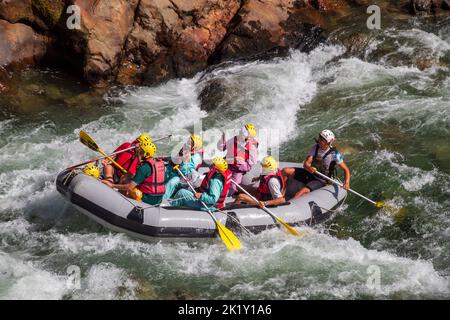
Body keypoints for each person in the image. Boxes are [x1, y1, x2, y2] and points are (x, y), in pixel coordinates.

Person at [282, 129, 351, 199]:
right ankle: (281, 196)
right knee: (285, 171)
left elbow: (346, 170)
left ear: (328, 142)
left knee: (301, 192)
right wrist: (309, 168)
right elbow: (306, 163)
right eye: (320, 138)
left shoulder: (334, 154)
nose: (320, 140)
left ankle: (288, 206)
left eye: (322, 139)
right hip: (310, 173)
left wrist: (347, 182)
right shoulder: (315, 147)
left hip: (321, 181)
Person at [101, 141, 166, 206]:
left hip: (147, 199)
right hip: (158, 198)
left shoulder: (144, 168)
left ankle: (119, 203)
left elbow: (129, 187)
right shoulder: (158, 163)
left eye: (141, 150)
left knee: (124, 179)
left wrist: (112, 185)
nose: (138, 151)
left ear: (146, 154)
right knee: (127, 176)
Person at [217, 123, 258, 197]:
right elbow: (222, 148)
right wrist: (222, 140)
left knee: (233, 187)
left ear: (248, 137)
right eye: (240, 132)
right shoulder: (234, 139)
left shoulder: (252, 148)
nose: (239, 134)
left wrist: (239, 162)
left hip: (238, 171)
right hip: (227, 164)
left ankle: (228, 197)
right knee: (215, 174)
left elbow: (249, 167)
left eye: (242, 133)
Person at [163, 134, 204, 200]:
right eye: (188, 141)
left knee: (172, 182)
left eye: (190, 143)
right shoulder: (184, 148)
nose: (187, 143)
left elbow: (185, 172)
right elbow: (173, 158)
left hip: (183, 177)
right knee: (159, 170)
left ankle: (163, 200)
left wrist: (184, 160)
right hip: (172, 169)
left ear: (194, 147)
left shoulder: (196, 158)